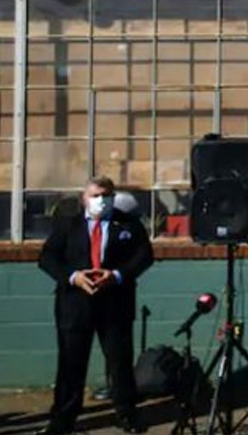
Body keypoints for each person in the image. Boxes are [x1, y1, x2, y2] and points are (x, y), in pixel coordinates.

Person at [37, 177, 153, 435]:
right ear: (84, 198)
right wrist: (73, 276)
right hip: (75, 304)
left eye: (106, 195)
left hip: (115, 303)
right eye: (95, 195)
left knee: (120, 362)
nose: (101, 200)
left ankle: (127, 414)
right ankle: (63, 419)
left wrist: (116, 275)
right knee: (70, 363)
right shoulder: (69, 224)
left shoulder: (128, 223)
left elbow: (145, 256)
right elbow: (47, 257)